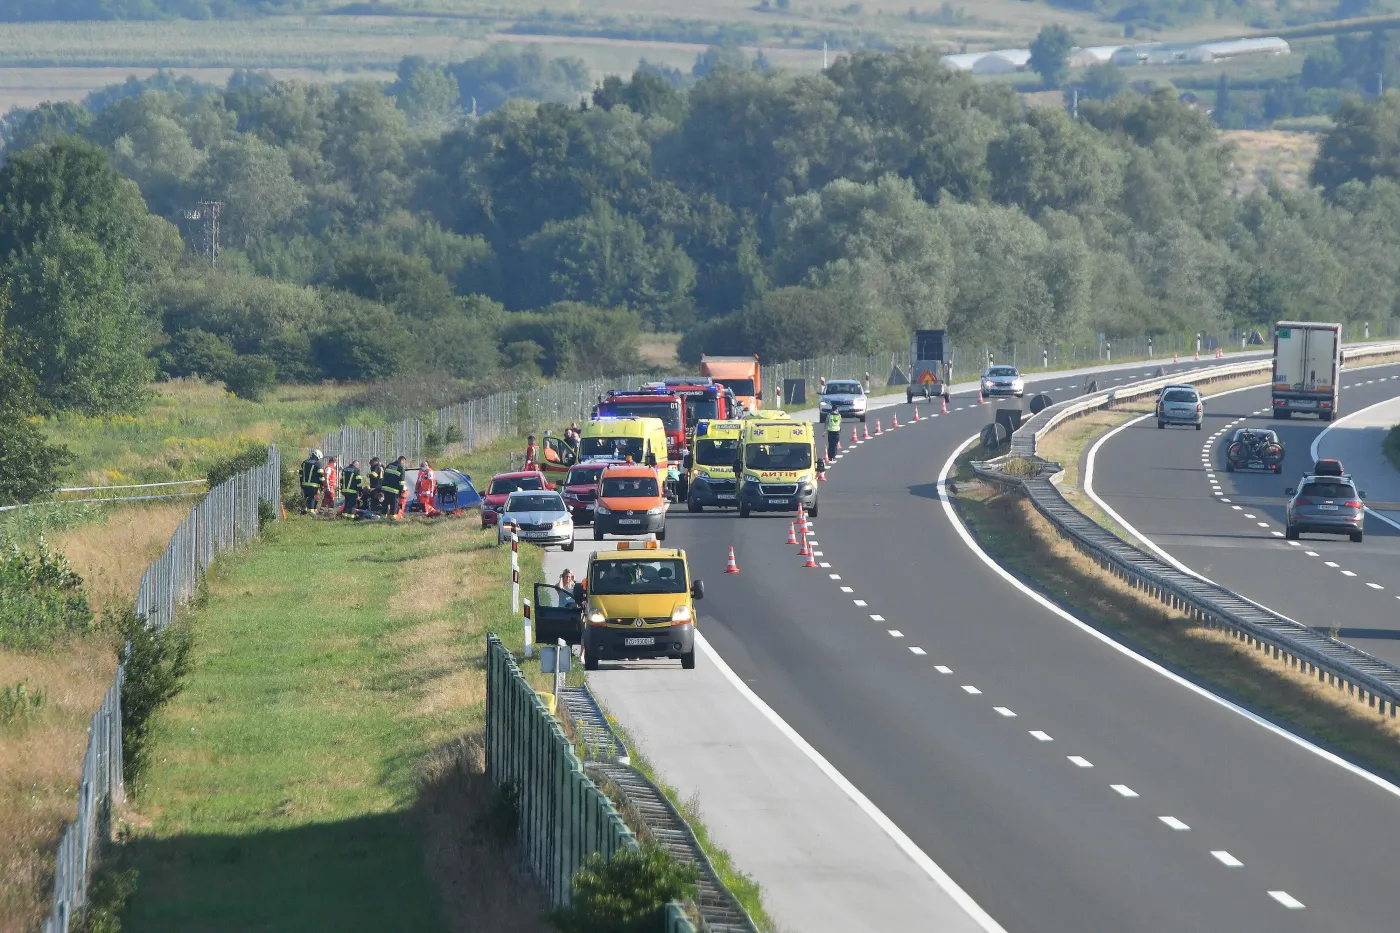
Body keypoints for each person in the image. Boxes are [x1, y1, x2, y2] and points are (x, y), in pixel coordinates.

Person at [299, 449, 325, 514]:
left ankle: (303, 512)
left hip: (304, 484)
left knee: (305, 498)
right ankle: (311, 513)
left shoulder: (304, 462)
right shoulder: (318, 464)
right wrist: (322, 485)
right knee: (312, 498)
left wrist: (301, 483)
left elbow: (301, 474)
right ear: (318, 456)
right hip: (313, 485)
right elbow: (321, 476)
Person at [382, 455, 408, 520]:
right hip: (394, 490)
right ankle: (393, 517)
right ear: (402, 460)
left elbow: (384, 476)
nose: (404, 464)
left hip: (386, 488)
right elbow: (402, 482)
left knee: (385, 503)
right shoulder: (401, 468)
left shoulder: (389, 465)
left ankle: (383, 516)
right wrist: (401, 491)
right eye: (404, 462)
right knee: (394, 504)